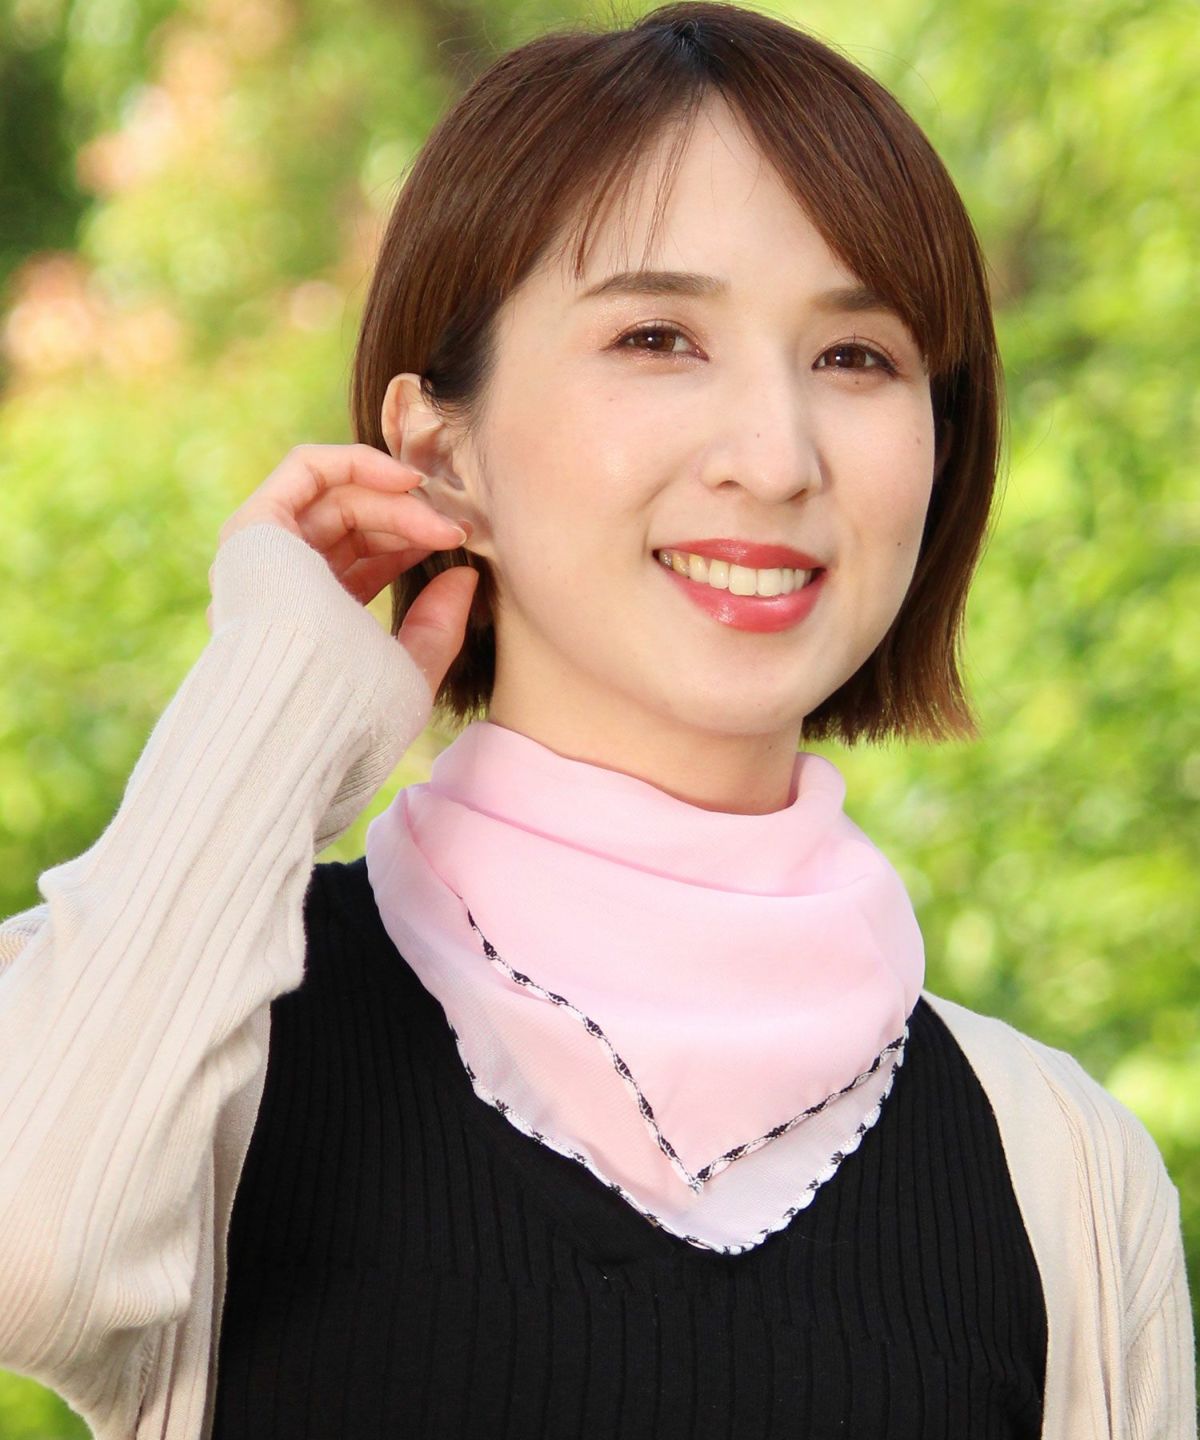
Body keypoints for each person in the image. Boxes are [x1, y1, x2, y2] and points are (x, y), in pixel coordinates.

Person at [0, 3, 1193, 1437]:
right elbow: (26, 1259)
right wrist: (276, 700)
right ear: (439, 449)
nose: (775, 457)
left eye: (856, 357)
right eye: (658, 336)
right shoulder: (211, 1043)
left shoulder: (1059, 1174)